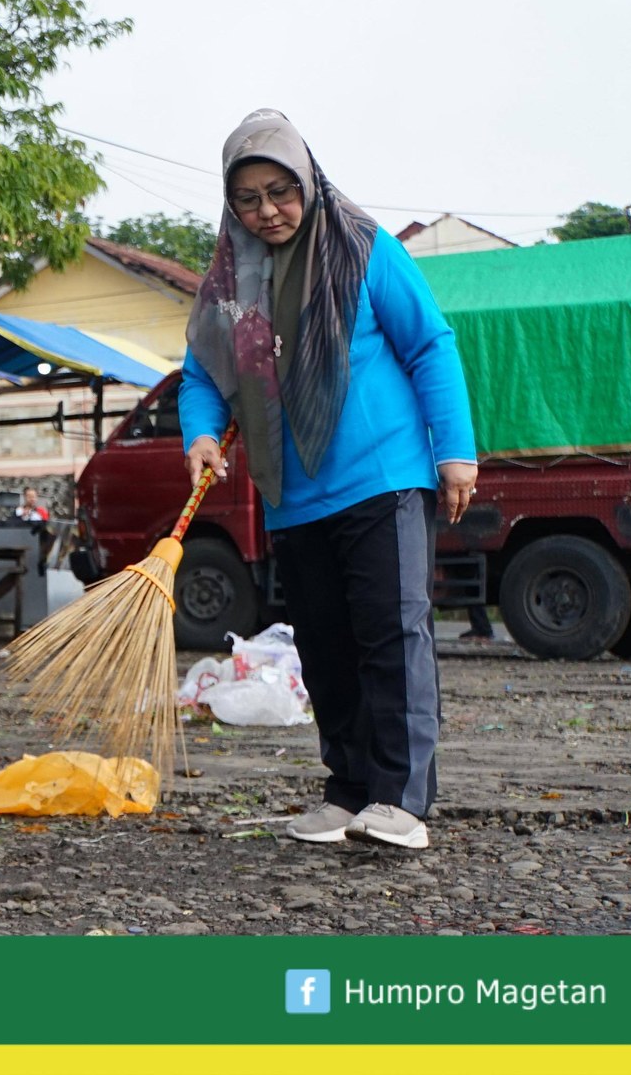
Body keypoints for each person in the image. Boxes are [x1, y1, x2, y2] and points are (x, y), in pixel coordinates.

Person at [179, 109, 476, 851]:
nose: (267, 211)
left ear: (308, 182)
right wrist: (202, 435)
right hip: (293, 494)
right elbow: (202, 374)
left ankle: (400, 800)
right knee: (326, 647)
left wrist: (456, 451)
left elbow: (431, 345)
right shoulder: (230, 280)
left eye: (281, 191)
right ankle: (347, 793)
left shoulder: (365, 249)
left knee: (391, 635)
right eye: (248, 198)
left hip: (383, 478)